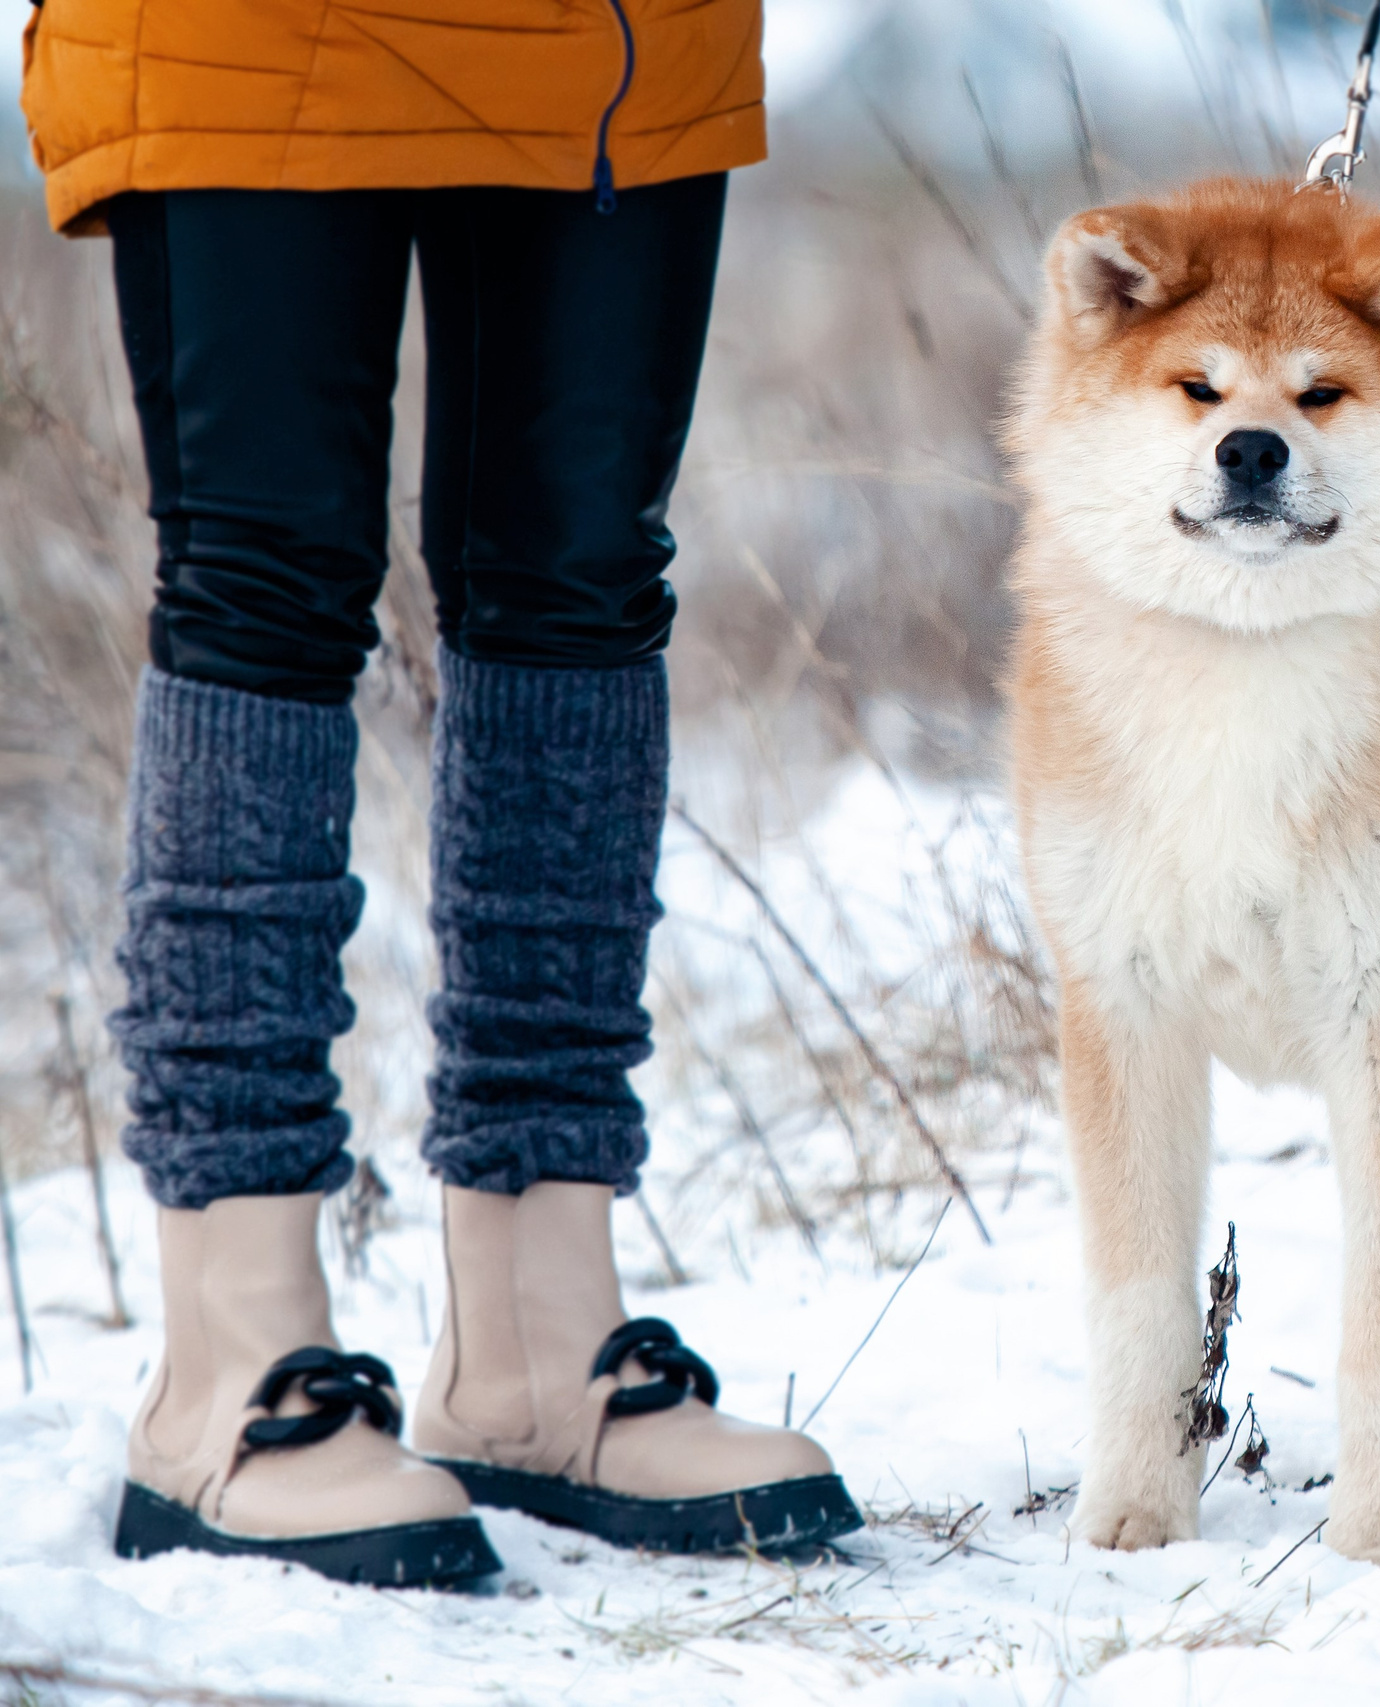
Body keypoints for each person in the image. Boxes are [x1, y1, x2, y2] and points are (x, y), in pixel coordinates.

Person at [19, 0, 859, 1586]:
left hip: (620, 42)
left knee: (581, 587)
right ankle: (228, 1357)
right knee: (265, 590)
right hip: (250, 40)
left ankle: (541, 1346)